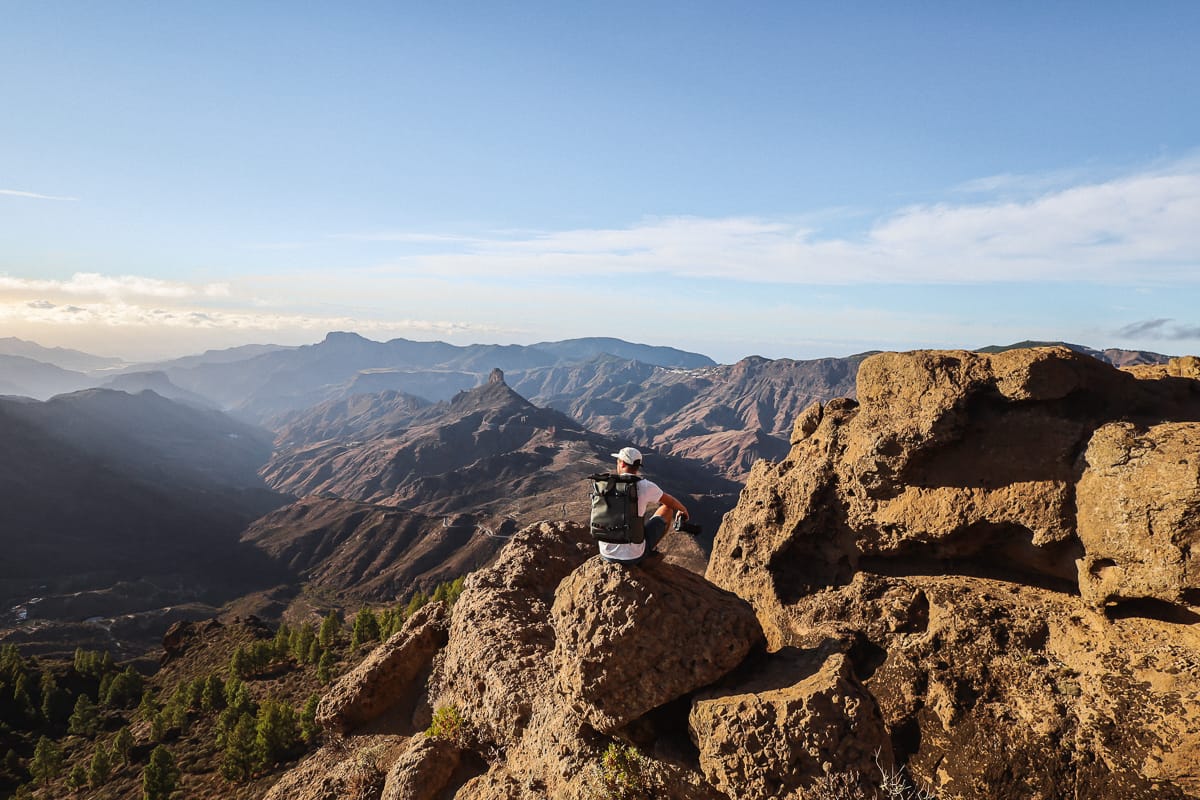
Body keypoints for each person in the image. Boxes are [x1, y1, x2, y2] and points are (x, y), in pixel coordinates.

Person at [598, 447, 689, 564]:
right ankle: (649, 551)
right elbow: (670, 502)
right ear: (638, 466)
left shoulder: (604, 484)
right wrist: (683, 510)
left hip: (606, 554)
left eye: (617, 461)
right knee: (667, 509)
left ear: (622, 463)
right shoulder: (645, 486)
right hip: (634, 556)